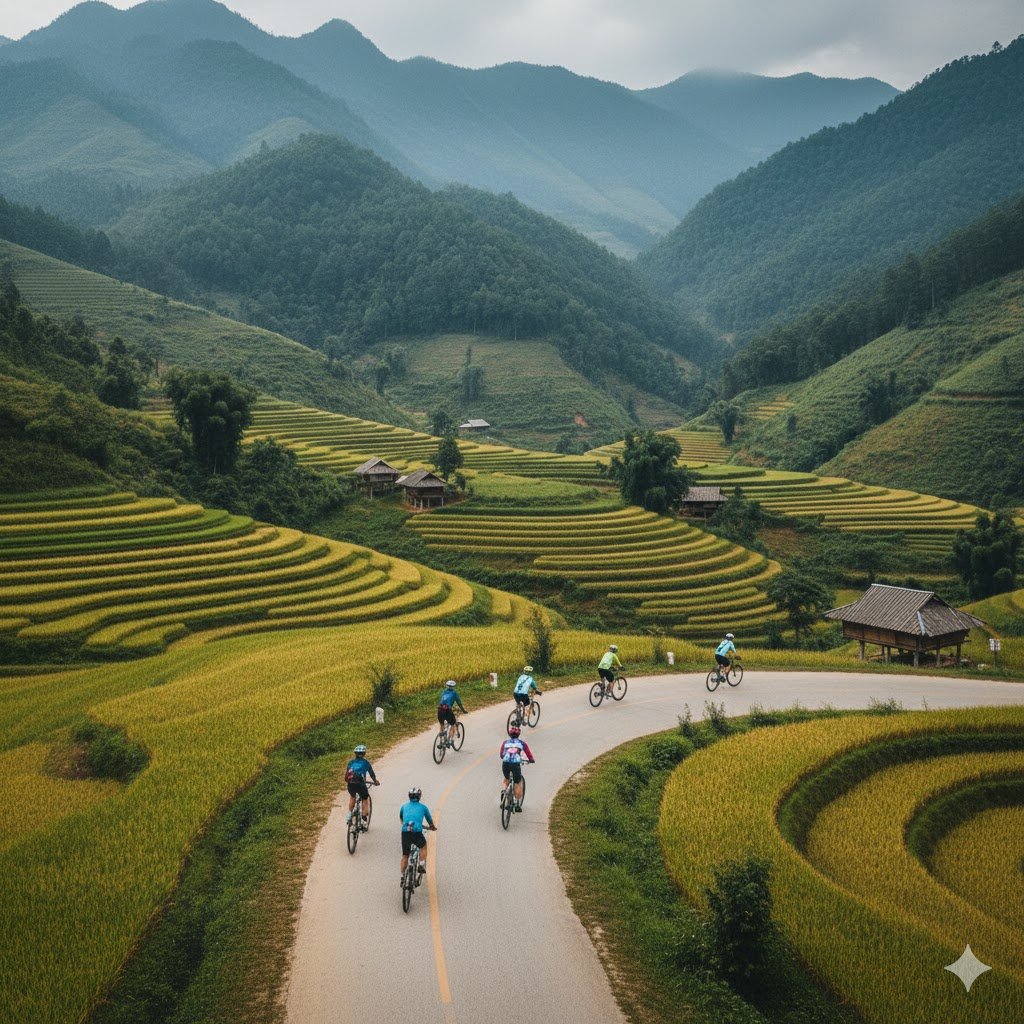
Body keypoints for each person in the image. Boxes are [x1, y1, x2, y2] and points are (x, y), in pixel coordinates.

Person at [400, 786, 436, 884]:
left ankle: (402, 876)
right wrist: (432, 826)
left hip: (405, 832)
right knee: (423, 846)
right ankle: (421, 864)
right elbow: (429, 820)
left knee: (405, 855)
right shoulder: (423, 807)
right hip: (416, 831)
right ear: (419, 797)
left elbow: (401, 819)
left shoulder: (404, 806)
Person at [499, 725, 535, 811]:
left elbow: (501, 754)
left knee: (506, 779)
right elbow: (529, 754)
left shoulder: (505, 743)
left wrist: (506, 756)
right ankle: (516, 804)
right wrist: (531, 760)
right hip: (515, 764)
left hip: (505, 763)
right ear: (519, 735)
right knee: (518, 782)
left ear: (510, 734)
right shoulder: (522, 743)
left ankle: (504, 792)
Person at [345, 744, 379, 828]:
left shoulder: (351, 762)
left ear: (355, 754)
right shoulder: (365, 763)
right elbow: (371, 774)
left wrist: (349, 782)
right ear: (364, 754)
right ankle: (364, 820)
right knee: (365, 799)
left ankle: (349, 815)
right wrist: (375, 781)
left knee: (352, 797)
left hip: (350, 783)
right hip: (360, 783)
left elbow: (346, 775)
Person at [437, 679, 467, 745]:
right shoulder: (454, 693)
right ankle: (449, 741)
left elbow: (443, 701)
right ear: (454, 687)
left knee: (442, 724)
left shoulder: (444, 692)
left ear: (447, 686)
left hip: (440, 710)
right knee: (452, 725)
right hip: (447, 711)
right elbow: (459, 703)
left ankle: (441, 741)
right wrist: (463, 710)